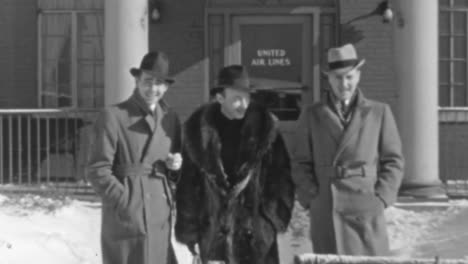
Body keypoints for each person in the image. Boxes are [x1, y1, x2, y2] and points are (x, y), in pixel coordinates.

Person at [175, 65, 295, 264]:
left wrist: (271, 220)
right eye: (237, 98)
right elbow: (188, 186)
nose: (244, 104)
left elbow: (281, 179)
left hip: (257, 240)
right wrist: (191, 231)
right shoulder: (197, 133)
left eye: (247, 97)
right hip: (213, 237)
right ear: (220, 98)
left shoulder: (266, 130)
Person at [292, 43, 404, 256]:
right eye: (337, 77)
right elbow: (300, 161)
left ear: (358, 76)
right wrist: (310, 197)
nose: (344, 84)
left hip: (366, 206)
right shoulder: (312, 114)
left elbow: (393, 160)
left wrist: (382, 197)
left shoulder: (379, 112)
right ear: (329, 79)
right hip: (326, 206)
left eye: (349, 77)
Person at [87, 51, 182, 264]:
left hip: (159, 213)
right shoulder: (114, 115)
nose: (153, 89)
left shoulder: (170, 119)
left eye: (159, 83)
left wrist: (174, 167)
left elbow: (174, 168)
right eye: (148, 81)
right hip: (127, 215)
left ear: (166, 87)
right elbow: (97, 169)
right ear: (137, 81)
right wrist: (124, 201)